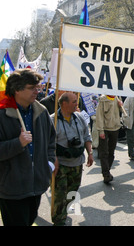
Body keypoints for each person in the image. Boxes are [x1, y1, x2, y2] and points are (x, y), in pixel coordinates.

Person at [0, 69, 56, 226]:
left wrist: (49, 164)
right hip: (12, 189)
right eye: (32, 88)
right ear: (17, 90)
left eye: (38, 87)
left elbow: (51, 140)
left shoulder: (41, 111)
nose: (37, 91)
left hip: (37, 185)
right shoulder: (3, 114)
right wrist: (18, 144)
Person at [51, 92, 93, 226]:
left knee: (72, 193)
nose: (77, 104)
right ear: (64, 103)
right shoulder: (53, 120)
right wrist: (54, 159)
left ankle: (62, 211)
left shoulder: (79, 117)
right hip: (61, 163)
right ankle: (59, 220)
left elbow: (87, 136)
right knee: (60, 195)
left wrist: (90, 152)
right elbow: (48, 143)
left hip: (77, 163)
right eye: (74, 101)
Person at [96, 95, 123, 184]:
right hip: (105, 128)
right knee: (104, 152)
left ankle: (107, 170)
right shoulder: (103, 99)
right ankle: (106, 174)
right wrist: (101, 130)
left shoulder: (117, 97)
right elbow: (99, 115)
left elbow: (122, 112)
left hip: (115, 128)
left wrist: (120, 106)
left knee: (111, 152)